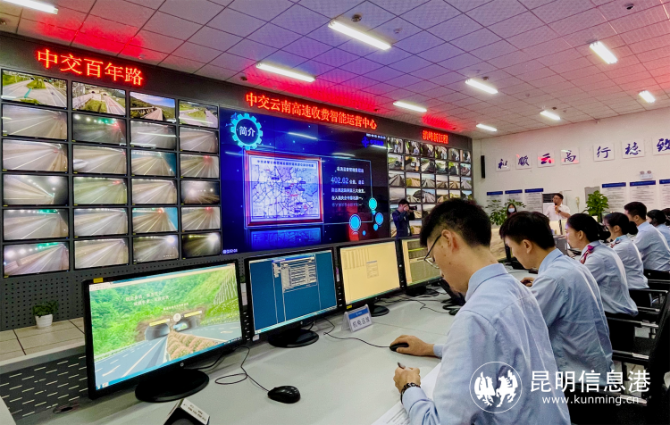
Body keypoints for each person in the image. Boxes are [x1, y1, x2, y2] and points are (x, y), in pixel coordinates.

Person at [390, 200, 570, 424]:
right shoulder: (519, 290)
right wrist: (430, 348)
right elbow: (496, 352)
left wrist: (408, 387)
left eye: (435, 259)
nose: (441, 273)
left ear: (448, 240)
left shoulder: (475, 317)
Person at [499, 212, 613, 387]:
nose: (513, 253)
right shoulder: (569, 265)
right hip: (595, 366)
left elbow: (518, 332)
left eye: (511, 247)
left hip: (576, 380)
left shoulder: (552, 280)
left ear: (527, 245)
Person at [565, 214, 637, 316]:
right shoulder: (598, 250)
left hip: (613, 316)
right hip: (612, 309)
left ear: (580, 234)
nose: (565, 236)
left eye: (567, 232)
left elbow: (572, 286)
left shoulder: (597, 257)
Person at [604, 213, 648, 289]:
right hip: (629, 286)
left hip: (633, 290)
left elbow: (602, 263)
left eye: (606, 227)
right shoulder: (621, 242)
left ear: (616, 228)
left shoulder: (623, 247)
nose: (604, 230)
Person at [624, 202, 670, 271]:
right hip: (657, 270)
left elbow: (629, 251)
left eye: (626, 217)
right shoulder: (647, 228)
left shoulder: (646, 231)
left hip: (657, 272)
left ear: (636, 217)